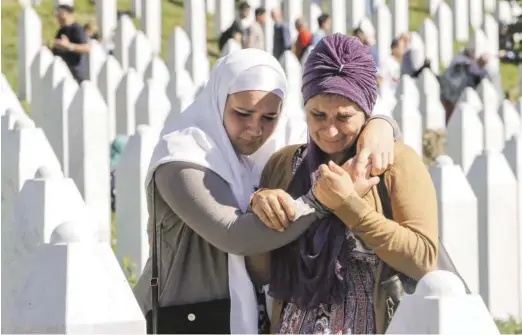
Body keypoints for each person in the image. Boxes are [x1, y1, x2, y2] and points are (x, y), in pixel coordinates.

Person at [132, 48, 401, 334]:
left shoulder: (271, 150)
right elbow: (234, 233)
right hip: (188, 318)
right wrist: (319, 201)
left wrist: (381, 125)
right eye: (242, 113)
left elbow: (339, 126)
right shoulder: (181, 159)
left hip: (252, 316)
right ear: (218, 99)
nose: (255, 129)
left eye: (268, 117)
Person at [247, 34, 438, 334]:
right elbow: (261, 273)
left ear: (366, 109)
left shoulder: (395, 164)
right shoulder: (284, 165)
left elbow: (423, 259)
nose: (330, 130)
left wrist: (348, 205)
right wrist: (259, 209)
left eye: (344, 117)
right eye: (317, 115)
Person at [51, 4, 91, 83]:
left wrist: (69, 46)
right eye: (57, 14)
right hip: (62, 72)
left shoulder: (76, 29)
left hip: (75, 73)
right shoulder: (61, 30)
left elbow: (87, 48)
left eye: (61, 13)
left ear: (69, 14)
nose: (58, 16)